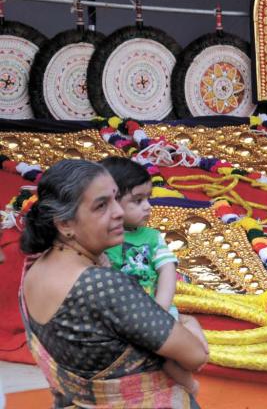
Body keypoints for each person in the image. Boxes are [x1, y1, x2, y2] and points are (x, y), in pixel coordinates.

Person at [19, 159, 208, 408]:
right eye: (101, 206)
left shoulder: (34, 267)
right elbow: (195, 356)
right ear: (65, 224)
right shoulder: (103, 286)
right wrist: (189, 322)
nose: (118, 211)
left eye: (116, 198)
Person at [99, 156, 200, 395]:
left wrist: (160, 308)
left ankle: (189, 388)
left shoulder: (151, 237)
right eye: (137, 200)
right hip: (124, 318)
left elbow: (167, 270)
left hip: (157, 311)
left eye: (148, 198)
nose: (148, 206)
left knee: (190, 354)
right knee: (155, 358)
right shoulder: (100, 237)